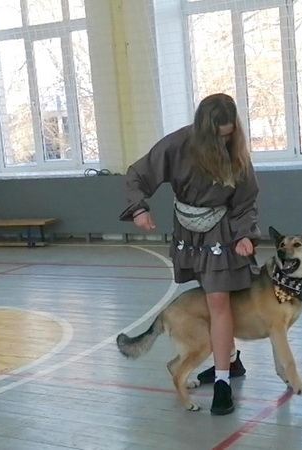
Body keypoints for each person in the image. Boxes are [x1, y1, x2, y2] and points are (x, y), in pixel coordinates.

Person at [119, 93, 260, 415]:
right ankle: (232, 361)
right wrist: (139, 208)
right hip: (188, 232)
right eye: (218, 136)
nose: (224, 142)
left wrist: (244, 234)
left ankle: (222, 383)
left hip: (221, 233)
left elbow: (246, 199)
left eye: (228, 135)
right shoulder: (177, 145)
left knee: (218, 300)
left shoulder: (236, 152)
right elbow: (138, 174)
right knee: (211, 296)